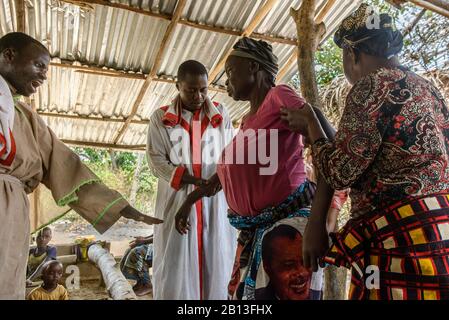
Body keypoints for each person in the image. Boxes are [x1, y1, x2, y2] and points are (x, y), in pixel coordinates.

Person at [281, 3, 449, 300]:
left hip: (395, 238)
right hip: (438, 230)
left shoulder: (370, 87)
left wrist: (310, 124)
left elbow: (340, 171)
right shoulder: (428, 88)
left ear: (351, 53)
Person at [0, 32, 162, 300]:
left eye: (47, 69)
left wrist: (119, 205)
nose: (44, 75)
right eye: (38, 65)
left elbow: (65, 165)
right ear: (8, 55)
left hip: (11, 219)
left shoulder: (27, 119)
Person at [175, 38, 335, 300]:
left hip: (286, 232)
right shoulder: (249, 120)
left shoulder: (279, 96)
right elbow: (223, 178)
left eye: (230, 73)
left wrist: (319, 222)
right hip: (255, 232)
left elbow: (324, 141)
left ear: (252, 67)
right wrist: (188, 202)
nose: (226, 82)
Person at [146, 60, 236, 300]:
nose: (198, 96)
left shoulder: (221, 112)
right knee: (176, 264)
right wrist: (196, 182)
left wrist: (212, 182)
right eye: (191, 90)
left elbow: (230, 154)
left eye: (203, 89)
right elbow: (156, 161)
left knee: (215, 258)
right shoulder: (160, 118)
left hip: (214, 200)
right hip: (176, 200)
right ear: (178, 86)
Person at [258, 223, 321, 300]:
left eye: (306, 261)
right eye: (289, 265)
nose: (302, 272)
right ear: (268, 268)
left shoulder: (318, 293)